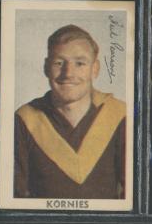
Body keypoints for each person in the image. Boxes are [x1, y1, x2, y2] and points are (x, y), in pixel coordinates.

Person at [14, 25, 126, 198]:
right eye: (59, 63)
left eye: (80, 63)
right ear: (46, 67)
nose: (68, 73)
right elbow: (14, 198)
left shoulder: (119, 115)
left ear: (95, 69)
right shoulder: (24, 120)